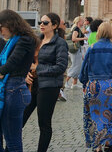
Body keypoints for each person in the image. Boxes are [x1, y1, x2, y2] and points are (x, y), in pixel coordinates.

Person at [0, 9, 38, 152]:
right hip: (12, 89)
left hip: (14, 91)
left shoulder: (25, 40)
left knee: (12, 140)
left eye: (0, 28)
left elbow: (11, 64)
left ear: (10, 24)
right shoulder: (15, 40)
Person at [80, 22, 112, 152]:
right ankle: (109, 143)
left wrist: (84, 82)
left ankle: (97, 146)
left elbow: (83, 70)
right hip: (111, 85)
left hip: (94, 85)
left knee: (94, 116)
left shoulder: (91, 48)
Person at [22, 13, 68, 152]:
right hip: (31, 84)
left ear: (54, 25)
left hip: (49, 86)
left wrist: (38, 69)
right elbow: (28, 61)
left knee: (44, 124)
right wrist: (26, 74)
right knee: (19, 119)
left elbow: (61, 67)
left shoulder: (60, 43)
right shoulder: (36, 40)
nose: (41, 24)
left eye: (45, 22)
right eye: (40, 22)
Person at [65, 16, 86, 89]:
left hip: (77, 49)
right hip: (76, 49)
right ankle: (66, 81)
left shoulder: (76, 28)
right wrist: (84, 38)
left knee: (77, 65)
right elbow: (74, 39)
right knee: (76, 65)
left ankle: (74, 84)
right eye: (82, 21)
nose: (83, 22)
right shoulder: (76, 29)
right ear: (78, 22)